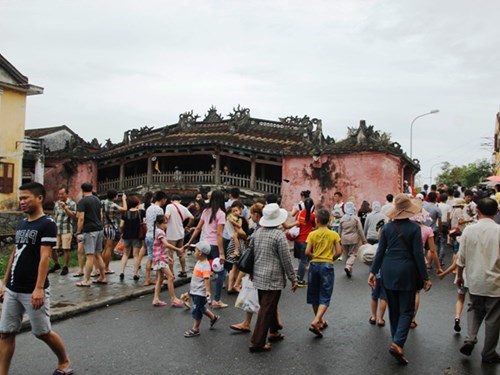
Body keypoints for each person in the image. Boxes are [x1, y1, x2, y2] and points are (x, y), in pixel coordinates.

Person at [0, 182, 72, 375]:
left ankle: (64, 361)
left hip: (33, 289)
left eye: (25, 198)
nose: (21, 202)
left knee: (42, 332)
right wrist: (5, 283)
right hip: (13, 289)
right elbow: (15, 254)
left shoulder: (47, 225)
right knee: (6, 332)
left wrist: (39, 288)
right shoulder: (22, 223)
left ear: (39, 198)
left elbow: (45, 257)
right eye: (20, 198)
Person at [368, 194, 432, 365]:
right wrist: (425, 277)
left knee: (394, 309)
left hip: (388, 270)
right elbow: (418, 255)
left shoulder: (387, 228)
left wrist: (373, 272)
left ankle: (397, 341)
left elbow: (380, 251)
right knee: (407, 311)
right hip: (407, 271)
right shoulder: (414, 229)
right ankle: (397, 342)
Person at [456, 198, 500, 363]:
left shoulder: (469, 230)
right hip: (496, 283)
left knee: (474, 309)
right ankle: (489, 353)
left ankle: (470, 338)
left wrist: (459, 276)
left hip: (474, 279)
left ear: (478, 211)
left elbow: (462, 257)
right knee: (493, 318)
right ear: (496, 212)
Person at [250, 203, 298, 353]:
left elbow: (253, 254)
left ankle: (274, 330)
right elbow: (286, 260)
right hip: (273, 278)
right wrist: (293, 278)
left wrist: (252, 272)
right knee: (266, 308)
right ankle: (257, 342)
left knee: (267, 305)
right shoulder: (279, 236)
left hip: (259, 275)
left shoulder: (258, 233)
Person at [185, 190, 229, 308]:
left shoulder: (205, 211)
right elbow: (219, 235)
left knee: (203, 271)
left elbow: (198, 228)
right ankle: (216, 300)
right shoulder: (221, 214)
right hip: (215, 246)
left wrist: (189, 242)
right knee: (221, 273)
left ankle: (188, 295)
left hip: (205, 244)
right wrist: (221, 253)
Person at [305, 209, 342, 337]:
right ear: (329, 221)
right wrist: (331, 258)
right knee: (325, 294)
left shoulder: (312, 234)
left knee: (314, 293)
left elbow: (307, 252)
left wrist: (315, 256)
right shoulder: (333, 234)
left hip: (314, 265)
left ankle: (319, 320)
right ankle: (317, 321)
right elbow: (338, 252)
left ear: (317, 220)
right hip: (327, 265)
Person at [183, 241, 220, 337]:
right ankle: (213, 317)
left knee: (197, 310)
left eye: (195, 250)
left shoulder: (205, 265)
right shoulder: (200, 262)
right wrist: (190, 293)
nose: (194, 252)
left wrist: (208, 291)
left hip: (200, 293)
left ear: (200, 253)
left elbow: (206, 279)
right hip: (196, 291)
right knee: (200, 307)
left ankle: (195, 329)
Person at [76, 182, 107, 287]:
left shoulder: (83, 201)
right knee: (98, 254)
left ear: (82, 190)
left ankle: (86, 280)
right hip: (99, 228)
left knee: (89, 255)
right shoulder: (97, 200)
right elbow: (101, 215)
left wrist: (78, 231)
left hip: (89, 230)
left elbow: (81, 218)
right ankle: (103, 276)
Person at [151, 215, 184, 308]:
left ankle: (156, 299)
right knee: (170, 277)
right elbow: (165, 244)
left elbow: (160, 247)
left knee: (160, 279)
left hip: (159, 258)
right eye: (164, 223)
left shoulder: (158, 231)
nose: (166, 225)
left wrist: (167, 257)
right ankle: (173, 298)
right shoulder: (160, 232)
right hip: (160, 259)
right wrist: (178, 249)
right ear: (159, 224)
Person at [49, 187, 77, 276]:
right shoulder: (57, 203)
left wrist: (65, 208)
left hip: (67, 228)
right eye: (59, 194)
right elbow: (55, 215)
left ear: (67, 194)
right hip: (56, 228)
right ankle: (57, 264)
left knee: (66, 249)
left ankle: (65, 266)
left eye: (62, 194)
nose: (60, 196)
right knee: (53, 248)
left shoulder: (72, 203)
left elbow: (73, 216)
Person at [289, 198, 316, 287]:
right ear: (312, 206)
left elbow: (297, 224)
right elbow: (315, 226)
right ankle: (299, 280)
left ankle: (298, 277)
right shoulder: (312, 216)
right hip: (306, 240)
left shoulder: (299, 213)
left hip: (297, 239)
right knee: (304, 261)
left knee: (300, 260)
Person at [165, 194, 193, 278]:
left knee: (170, 255)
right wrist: (187, 226)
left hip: (171, 234)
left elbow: (167, 216)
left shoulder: (169, 206)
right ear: (180, 200)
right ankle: (183, 271)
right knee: (181, 253)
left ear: (171, 200)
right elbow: (192, 217)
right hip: (181, 233)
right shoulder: (184, 208)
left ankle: (171, 273)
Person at [144, 191, 168, 286]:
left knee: (149, 257)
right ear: (163, 199)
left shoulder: (149, 208)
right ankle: (158, 279)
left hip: (148, 235)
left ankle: (147, 279)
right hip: (155, 236)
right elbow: (161, 224)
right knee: (157, 258)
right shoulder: (160, 210)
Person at [101, 190, 128, 275]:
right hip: (110, 227)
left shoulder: (103, 202)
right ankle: (106, 267)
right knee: (109, 248)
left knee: (105, 248)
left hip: (103, 227)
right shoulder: (113, 205)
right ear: (115, 197)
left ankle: (101, 267)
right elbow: (125, 209)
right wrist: (124, 199)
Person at [118, 196, 144, 281]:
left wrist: (123, 231)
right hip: (137, 236)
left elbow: (121, 225)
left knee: (125, 254)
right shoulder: (141, 213)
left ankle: (122, 272)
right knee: (135, 255)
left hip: (126, 235)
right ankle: (135, 273)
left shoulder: (125, 213)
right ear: (137, 203)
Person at [339, 201, 366, 278]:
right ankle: (348, 266)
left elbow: (339, 230)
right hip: (354, 239)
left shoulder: (342, 218)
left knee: (346, 255)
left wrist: (339, 239)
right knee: (353, 254)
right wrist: (363, 239)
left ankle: (349, 269)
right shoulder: (355, 218)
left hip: (344, 239)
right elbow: (360, 230)